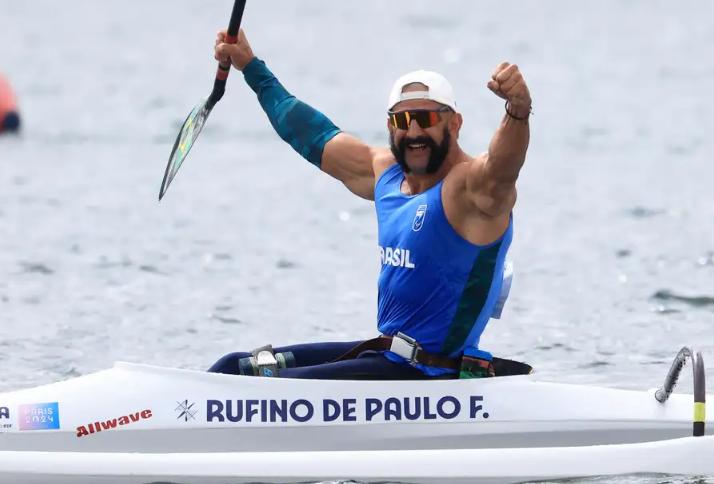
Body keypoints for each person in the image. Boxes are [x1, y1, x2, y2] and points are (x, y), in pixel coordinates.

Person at [207, 28, 531, 380]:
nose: (413, 132)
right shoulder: (386, 176)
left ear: (455, 123)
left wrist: (517, 111)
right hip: (389, 357)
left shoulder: (470, 190)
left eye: (425, 119)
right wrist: (252, 68)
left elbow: (502, 169)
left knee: (264, 386)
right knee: (231, 367)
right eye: (401, 121)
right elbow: (310, 133)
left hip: (433, 377)